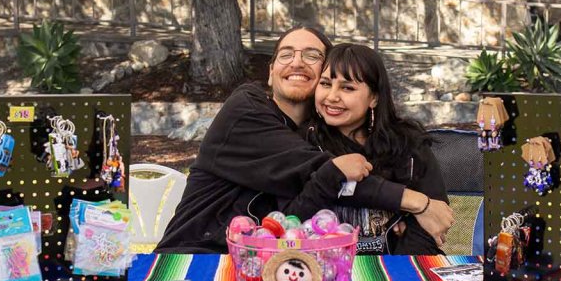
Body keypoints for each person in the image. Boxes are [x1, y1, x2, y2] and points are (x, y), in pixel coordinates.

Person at [155, 26, 453, 254]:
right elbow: (320, 179)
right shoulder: (246, 111)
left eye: (312, 56)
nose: (297, 62)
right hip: (197, 255)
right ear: (270, 73)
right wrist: (416, 203)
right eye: (285, 54)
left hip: (264, 264)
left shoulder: (401, 142)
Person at [289, 43, 450, 254]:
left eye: (348, 87)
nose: (332, 96)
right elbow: (294, 215)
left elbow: (433, 219)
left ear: (374, 97)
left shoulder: (408, 144)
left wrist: (391, 270)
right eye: (326, 84)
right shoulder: (305, 143)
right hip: (322, 267)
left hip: (396, 269)